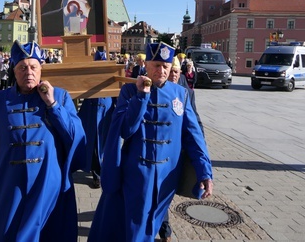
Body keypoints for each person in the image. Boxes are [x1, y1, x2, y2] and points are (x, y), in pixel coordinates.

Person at [89, 42, 213, 242]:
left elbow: (194, 136)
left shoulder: (180, 94)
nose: (161, 70)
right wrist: (141, 97)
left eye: (165, 66)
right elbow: (126, 130)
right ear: (146, 65)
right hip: (137, 173)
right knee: (136, 225)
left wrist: (205, 172)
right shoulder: (129, 91)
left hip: (167, 178)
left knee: (152, 223)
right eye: (156, 65)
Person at [0, 40, 86, 242]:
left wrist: (52, 106)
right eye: (22, 67)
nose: (28, 72)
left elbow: (76, 137)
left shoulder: (60, 97)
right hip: (10, 185)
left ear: (41, 68)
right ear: (14, 70)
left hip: (48, 183)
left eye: (33, 67)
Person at [158, 56, 206, 241]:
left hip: (180, 152)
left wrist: (201, 144)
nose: (172, 76)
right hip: (161, 153)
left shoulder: (187, 93)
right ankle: (165, 231)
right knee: (160, 197)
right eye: (170, 72)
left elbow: (196, 121)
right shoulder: (157, 90)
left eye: (175, 72)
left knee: (170, 194)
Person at [77, 50, 115, 188]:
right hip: (91, 113)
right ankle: (97, 175)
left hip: (106, 113)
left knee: (104, 144)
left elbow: (116, 93)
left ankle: (103, 171)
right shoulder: (90, 75)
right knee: (92, 145)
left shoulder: (111, 75)